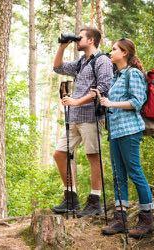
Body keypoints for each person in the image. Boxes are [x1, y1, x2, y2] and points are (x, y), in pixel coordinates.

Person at [95, 38, 154, 238]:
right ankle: (120, 219)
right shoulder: (116, 76)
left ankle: (147, 218)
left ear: (124, 53)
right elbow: (114, 101)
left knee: (135, 172)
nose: (110, 52)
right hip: (115, 131)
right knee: (119, 175)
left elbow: (137, 102)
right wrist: (103, 101)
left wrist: (111, 104)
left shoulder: (133, 74)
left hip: (130, 131)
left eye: (114, 49)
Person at [52, 27, 113, 217]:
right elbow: (58, 67)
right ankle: (71, 197)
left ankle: (95, 200)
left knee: (92, 156)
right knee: (59, 154)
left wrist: (77, 101)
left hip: (90, 117)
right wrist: (63, 46)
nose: (77, 40)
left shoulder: (102, 60)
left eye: (81, 37)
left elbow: (104, 87)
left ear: (92, 40)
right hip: (74, 118)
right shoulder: (81, 62)